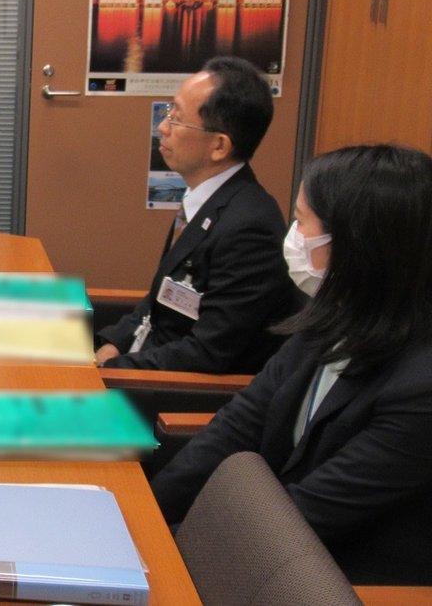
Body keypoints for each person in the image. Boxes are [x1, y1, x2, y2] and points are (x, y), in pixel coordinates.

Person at [152, 145, 432, 585]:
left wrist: (172, 550)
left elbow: (316, 508)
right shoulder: (328, 323)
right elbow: (234, 429)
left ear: (357, 245)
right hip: (268, 543)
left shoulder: (420, 386)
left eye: (301, 222)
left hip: (336, 580)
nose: (293, 237)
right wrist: (145, 517)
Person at [95, 56, 296, 372]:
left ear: (219, 146)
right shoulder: (203, 199)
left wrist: (114, 367)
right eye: (169, 112)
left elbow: (208, 353)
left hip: (170, 390)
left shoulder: (249, 229)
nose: (162, 127)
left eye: (176, 119)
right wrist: (113, 343)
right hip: (144, 360)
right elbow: (160, 298)